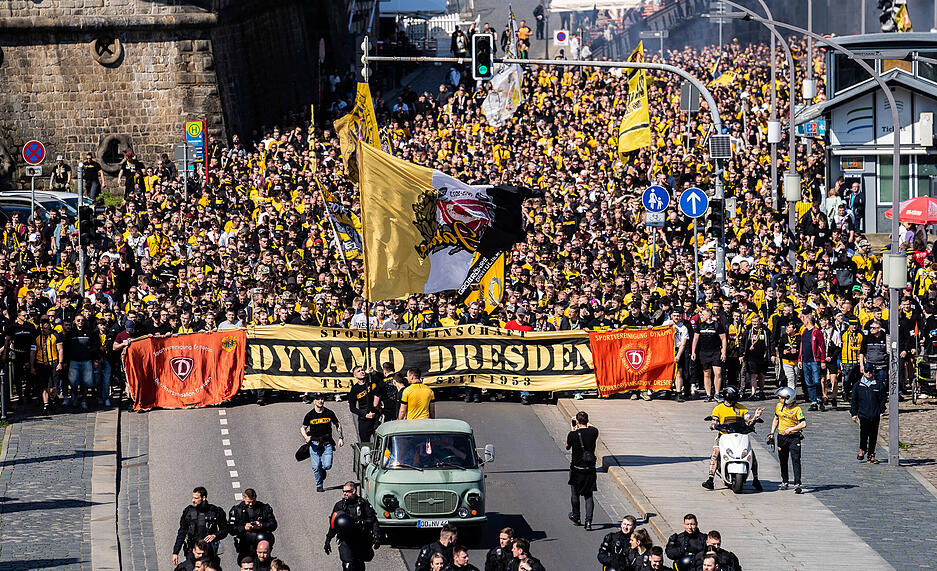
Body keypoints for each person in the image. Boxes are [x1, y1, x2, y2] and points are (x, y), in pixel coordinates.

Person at [702, 386, 764, 491]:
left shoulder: (742, 408)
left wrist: (755, 417)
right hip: (724, 435)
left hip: (740, 436)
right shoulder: (718, 409)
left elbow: (748, 421)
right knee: (715, 454)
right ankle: (710, 479)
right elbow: (714, 421)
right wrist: (714, 425)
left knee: (751, 455)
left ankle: (756, 479)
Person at [324, 482, 380, 571]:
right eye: (344, 492)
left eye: (347, 491)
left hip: (360, 538)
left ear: (354, 491)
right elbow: (333, 524)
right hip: (345, 540)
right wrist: (328, 540)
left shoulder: (363, 504)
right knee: (348, 565)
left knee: (359, 564)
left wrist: (377, 536)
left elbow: (373, 520)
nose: (345, 493)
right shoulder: (339, 506)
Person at [171, 486, 228, 567]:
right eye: (193, 497)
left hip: (209, 551)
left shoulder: (216, 511)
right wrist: (175, 552)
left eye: (196, 498)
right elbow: (182, 532)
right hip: (192, 551)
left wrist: (215, 535)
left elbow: (225, 530)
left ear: (203, 498)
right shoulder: (188, 512)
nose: (193, 500)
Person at [301, 393, 344, 492]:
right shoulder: (309, 415)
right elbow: (303, 428)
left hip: (327, 443)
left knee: (327, 465)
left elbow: (337, 424)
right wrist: (306, 437)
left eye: (322, 399)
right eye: (318, 399)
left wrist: (341, 437)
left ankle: (323, 469)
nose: (320, 401)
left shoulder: (329, 413)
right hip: (314, 444)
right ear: (314, 401)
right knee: (316, 467)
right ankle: (319, 484)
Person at [767, 386, 806, 493]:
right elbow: (776, 419)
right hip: (782, 437)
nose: (780, 399)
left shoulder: (797, 409)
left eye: (782, 397)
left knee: (796, 460)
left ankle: (797, 483)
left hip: (794, 438)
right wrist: (772, 433)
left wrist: (791, 429)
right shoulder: (779, 406)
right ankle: (785, 481)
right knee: (783, 460)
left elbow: (803, 424)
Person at [566, 410, 598, 530]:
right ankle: (588, 522)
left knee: (575, 494)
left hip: (576, 469)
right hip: (589, 469)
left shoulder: (573, 435)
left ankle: (576, 515)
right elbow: (592, 427)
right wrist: (583, 422)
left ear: (577, 422)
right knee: (588, 496)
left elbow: (567, 446)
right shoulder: (594, 432)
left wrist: (573, 428)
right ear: (587, 420)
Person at [228, 488, 278, 559]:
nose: (251, 504)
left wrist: (261, 525)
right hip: (245, 544)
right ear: (244, 498)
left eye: (253, 501)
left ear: (256, 498)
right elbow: (231, 529)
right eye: (248, 502)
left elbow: (273, 525)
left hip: (261, 543)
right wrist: (244, 527)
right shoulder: (236, 510)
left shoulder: (264, 508)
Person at [64, 314, 100, 410]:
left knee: (86, 383)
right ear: (75, 322)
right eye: (78, 320)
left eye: (82, 320)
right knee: (73, 382)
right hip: (73, 361)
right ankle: (75, 397)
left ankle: (84, 400)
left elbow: (94, 347)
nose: (80, 322)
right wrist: (65, 361)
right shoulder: (71, 333)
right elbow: (66, 349)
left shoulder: (89, 332)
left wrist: (95, 360)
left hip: (86, 361)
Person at [851, 368, 887, 464]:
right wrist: (854, 413)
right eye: (867, 372)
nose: (869, 373)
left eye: (870, 372)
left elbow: (883, 397)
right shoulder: (858, 385)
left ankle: (871, 454)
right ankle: (862, 449)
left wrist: (881, 409)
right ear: (863, 372)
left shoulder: (878, 384)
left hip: (875, 413)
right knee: (864, 433)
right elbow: (854, 400)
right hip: (863, 413)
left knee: (873, 435)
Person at [691, 308, 727, 401]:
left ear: (708, 315)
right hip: (704, 352)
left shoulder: (717, 325)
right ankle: (708, 394)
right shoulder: (700, 325)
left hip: (715, 352)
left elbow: (723, 339)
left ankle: (717, 393)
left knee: (718, 373)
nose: (701, 316)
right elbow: (695, 339)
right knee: (706, 373)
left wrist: (723, 352)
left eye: (703, 314)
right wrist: (693, 351)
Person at [30, 316, 63, 414]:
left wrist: (60, 363)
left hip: (53, 363)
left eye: (44, 327)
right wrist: (32, 366)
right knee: (43, 385)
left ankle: (52, 399)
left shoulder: (55, 335)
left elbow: (60, 350)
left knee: (53, 387)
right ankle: (46, 405)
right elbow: (32, 352)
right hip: (41, 364)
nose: (42, 330)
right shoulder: (36, 337)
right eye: (41, 328)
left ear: (48, 326)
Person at [798, 310, 826, 411]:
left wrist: (822, 360)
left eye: (804, 319)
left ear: (808, 321)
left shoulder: (816, 332)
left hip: (814, 361)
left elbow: (822, 347)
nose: (803, 321)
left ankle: (819, 399)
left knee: (817, 381)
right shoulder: (804, 332)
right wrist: (800, 359)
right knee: (808, 382)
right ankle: (813, 401)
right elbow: (802, 346)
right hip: (805, 360)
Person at [348, 365, 381, 443]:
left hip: (376, 416)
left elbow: (381, 380)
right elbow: (352, 408)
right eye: (358, 371)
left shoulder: (371, 381)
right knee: (365, 444)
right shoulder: (354, 389)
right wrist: (364, 414)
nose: (362, 372)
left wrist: (374, 373)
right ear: (355, 375)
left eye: (362, 370)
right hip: (364, 419)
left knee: (379, 442)